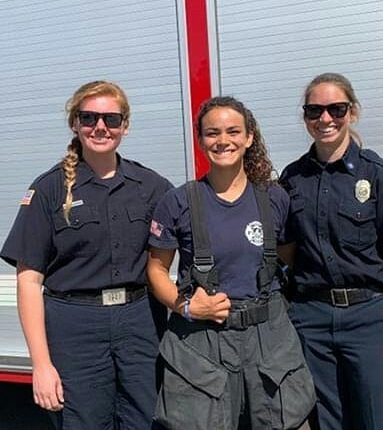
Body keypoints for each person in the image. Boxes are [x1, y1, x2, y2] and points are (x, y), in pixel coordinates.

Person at [0, 80, 172, 429]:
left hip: (140, 320)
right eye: (89, 117)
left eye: (111, 118)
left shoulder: (151, 186)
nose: (100, 127)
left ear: (125, 125)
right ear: (75, 124)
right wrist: (41, 365)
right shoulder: (48, 190)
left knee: (147, 420)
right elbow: (29, 282)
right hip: (74, 324)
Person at [147, 96, 316, 430]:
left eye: (233, 131)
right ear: (200, 139)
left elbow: (291, 259)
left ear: (249, 137)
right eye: (212, 133)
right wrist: (187, 307)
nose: (223, 140)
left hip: (269, 340)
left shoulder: (274, 198)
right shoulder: (178, 201)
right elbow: (155, 270)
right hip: (202, 341)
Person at [279, 72, 383, 430]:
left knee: (381, 419)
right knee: (328, 421)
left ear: (352, 112)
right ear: (305, 117)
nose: (325, 119)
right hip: (311, 318)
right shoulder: (292, 179)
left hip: (368, 317)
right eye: (314, 111)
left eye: (336, 109)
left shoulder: (379, 176)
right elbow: (288, 251)